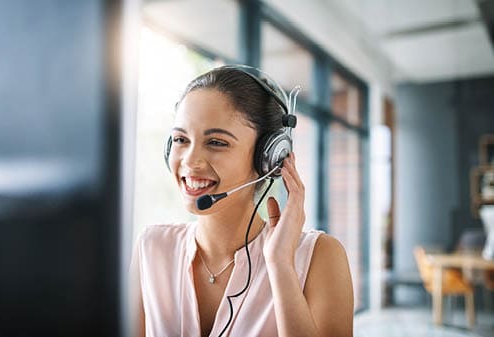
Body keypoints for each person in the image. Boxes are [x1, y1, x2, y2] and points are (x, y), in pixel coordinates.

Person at [129, 66, 353, 337]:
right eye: (180, 139)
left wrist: (280, 264)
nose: (189, 160)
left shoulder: (319, 256)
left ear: (269, 157)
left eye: (216, 142)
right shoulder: (153, 248)